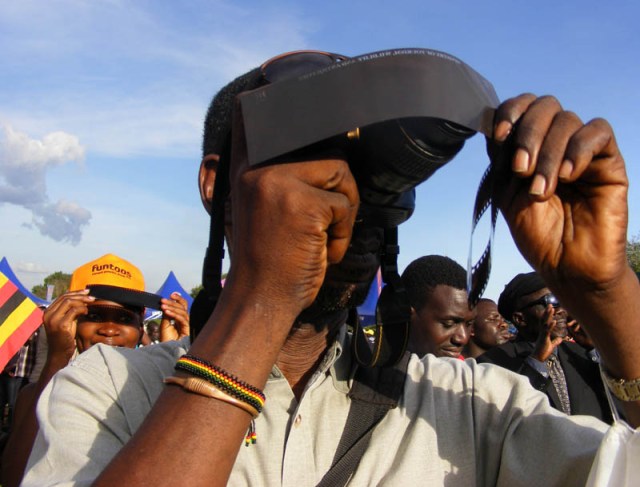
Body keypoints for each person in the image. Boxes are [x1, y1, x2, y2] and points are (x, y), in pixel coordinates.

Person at [22, 51, 640, 486]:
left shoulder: (469, 405)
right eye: (311, 163)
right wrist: (264, 300)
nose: (343, 197)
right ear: (217, 184)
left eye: (373, 176)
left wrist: (607, 291)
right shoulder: (104, 390)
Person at [2, 253, 189, 487]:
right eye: (94, 316)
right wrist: (57, 357)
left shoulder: (159, 390)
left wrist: (174, 356)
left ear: (140, 324)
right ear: (70, 320)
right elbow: (15, 477)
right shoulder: (34, 394)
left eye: (123, 318)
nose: (109, 330)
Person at [477, 272, 612, 423]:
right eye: (551, 301)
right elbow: (505, 415)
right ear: (520, 319)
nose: (561, 310)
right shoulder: (493, 362)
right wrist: (537, 362)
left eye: (562, 300)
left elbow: (616, 401)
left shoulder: (579, 352)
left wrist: (594, 349)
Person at [401, 255, 474, 359]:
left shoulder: (468, 372)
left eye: (469, 324)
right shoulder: (373, 369)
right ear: (406, 315)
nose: (463, 338)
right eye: (449, 324)